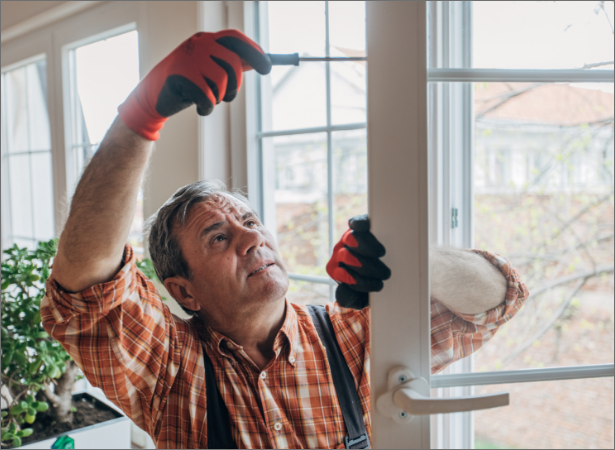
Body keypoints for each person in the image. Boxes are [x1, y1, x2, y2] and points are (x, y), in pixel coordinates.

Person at [42, 30, 529, 449]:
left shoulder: (350, 339)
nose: (251, 239)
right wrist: (140, 115)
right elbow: (87, 287)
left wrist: (409, 259)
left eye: (251, 222)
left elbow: (497, 299)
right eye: (217, 237)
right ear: (183, 291)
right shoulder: (170, 367)